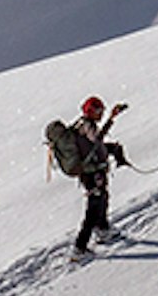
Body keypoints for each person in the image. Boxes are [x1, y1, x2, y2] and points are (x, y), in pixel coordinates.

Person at [51, 95, 130, 258]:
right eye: (98, 110)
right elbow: (97, 141)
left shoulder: (81, 123)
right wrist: (111, 120)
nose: (101, 113)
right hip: (92, 173)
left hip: (91, 172)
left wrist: (111, 118)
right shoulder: (88, 125)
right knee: (93, 208)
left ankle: (103, 229)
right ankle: (80, 247)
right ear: (90, 111)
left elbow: (92, 145)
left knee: (102, 198)